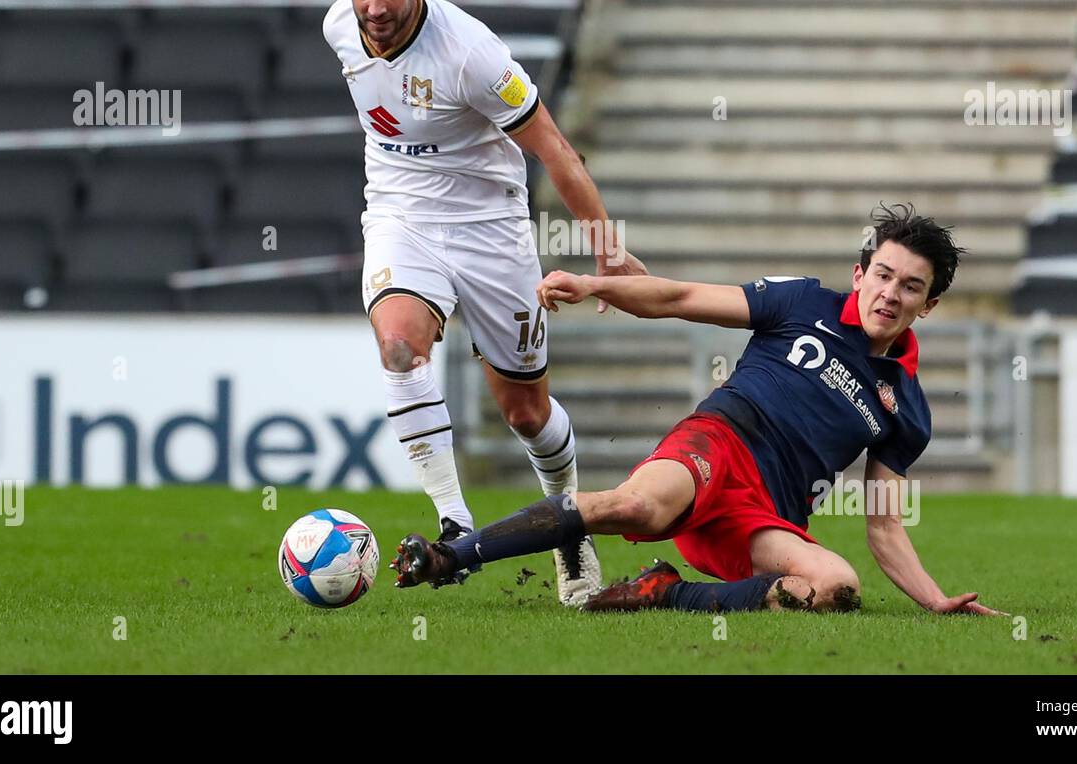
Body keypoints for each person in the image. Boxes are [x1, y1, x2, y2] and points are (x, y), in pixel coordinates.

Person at [391, 204, 1007, 617]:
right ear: (859, 274)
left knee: (834, 589)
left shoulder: (908, 410)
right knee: (634, 504)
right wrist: (594, 284)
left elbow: (884, 526)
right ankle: (451, 555)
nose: (890, 294)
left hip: (767, 514)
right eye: (883, 275)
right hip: (717, 443)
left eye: (911, 287)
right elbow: (682, 296)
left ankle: (663, 591)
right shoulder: (803, 303)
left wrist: (935, 601)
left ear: (927, 305)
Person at [323, 0, 646, 607]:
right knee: (400, 350)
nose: (374, 9)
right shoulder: (337, 27)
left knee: (526, 414)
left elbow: (555, 148)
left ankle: (566, 526)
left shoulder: (471, 55)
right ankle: (454, 526)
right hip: (401, 215)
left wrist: (608, 253)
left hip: (490, 227)